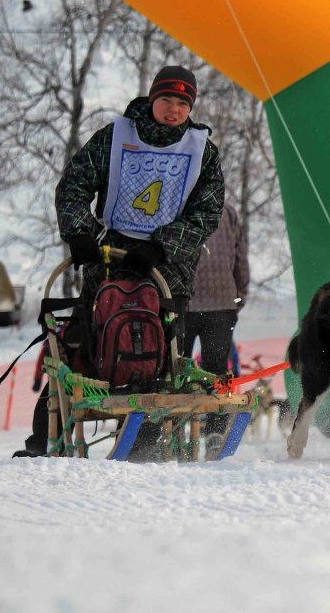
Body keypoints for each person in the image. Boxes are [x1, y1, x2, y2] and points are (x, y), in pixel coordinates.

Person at [14, 66, 225, 458]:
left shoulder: (202, 152)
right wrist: (80, 234)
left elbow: (207, 214)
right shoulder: (116, 137)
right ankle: (45, 441)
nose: (174, 110)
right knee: (81, 348)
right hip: (107, 262)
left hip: (167, 272)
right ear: (151, 98)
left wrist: (162, 246)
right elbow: (74, 184)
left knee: (160, 358)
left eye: (183, 103)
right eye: (166, 100)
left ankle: (144, 448)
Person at [183, 201, 250, 444]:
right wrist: (239, 296)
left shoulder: (176, 205)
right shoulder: (227, 211)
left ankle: (174, 428)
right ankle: (215, 432)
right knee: (217, 372)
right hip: (222, 303)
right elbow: (240, 257)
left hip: (183, 302)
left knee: (177, 369)